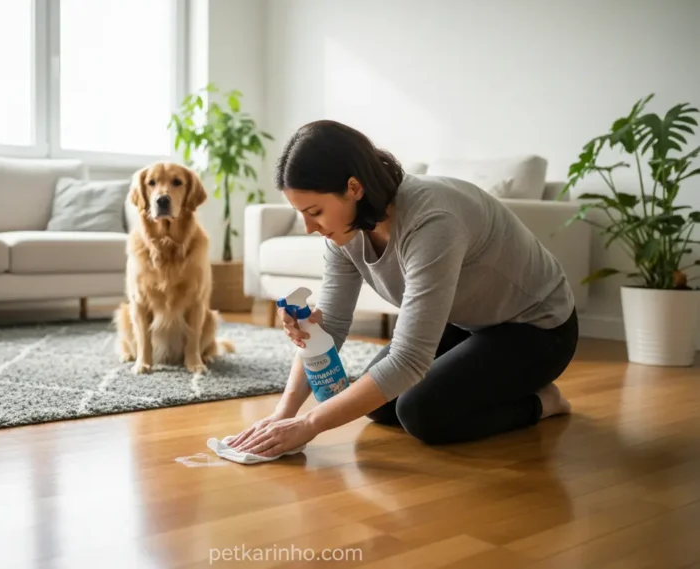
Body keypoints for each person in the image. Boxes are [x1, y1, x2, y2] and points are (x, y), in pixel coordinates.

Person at [230, 120, 578, 457]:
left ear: (353, 188)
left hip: (539, 329)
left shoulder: (432, 221)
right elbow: (332, 327)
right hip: (469, 324)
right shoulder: (345, 233)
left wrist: (309, 425)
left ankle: (544, 402)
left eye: (315, 211)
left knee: (421, 412)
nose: (308, 227)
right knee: (381, 406)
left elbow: (409, 360)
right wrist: (283, 413)